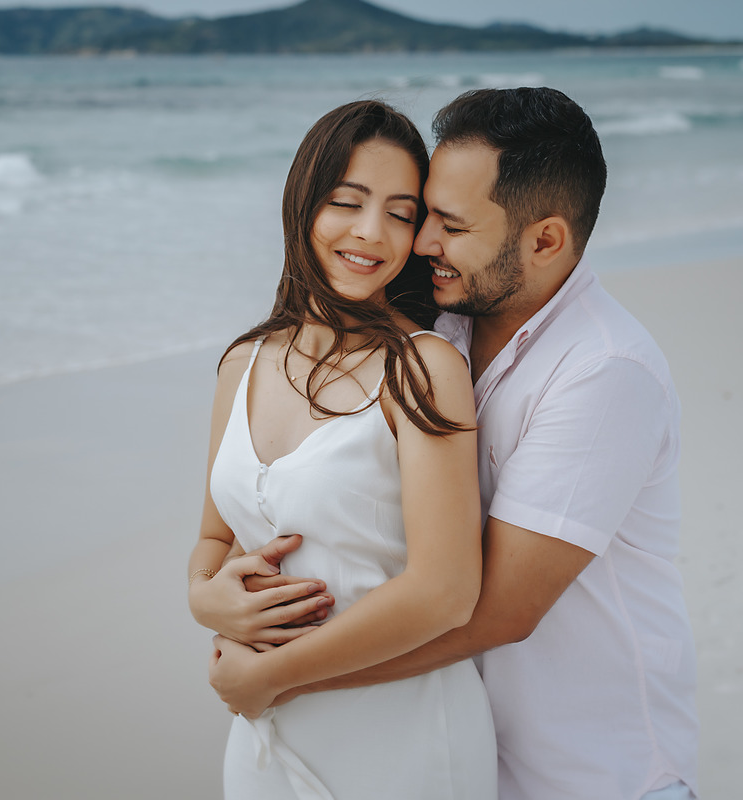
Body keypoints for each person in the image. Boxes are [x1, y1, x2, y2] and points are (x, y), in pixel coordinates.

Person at [206, 87, 700, 800]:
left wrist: (278, 676)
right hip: (458, 747)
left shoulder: (603, 372)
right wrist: (211, 596)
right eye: (426, 214)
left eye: (449, 224)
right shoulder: (445, 324)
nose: (421, 243)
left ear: (544, 241)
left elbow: (496, 609)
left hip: (590, 772)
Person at [187, 99, 497, 798]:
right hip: (264, 738)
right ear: (304, 204)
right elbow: (215, 537)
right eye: (347, 202)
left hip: (402, 736)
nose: (371, 233)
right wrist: (204, 597)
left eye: (400, 213)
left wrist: (270, 675)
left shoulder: (423, 370)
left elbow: (446, 593)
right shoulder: (243, 363)